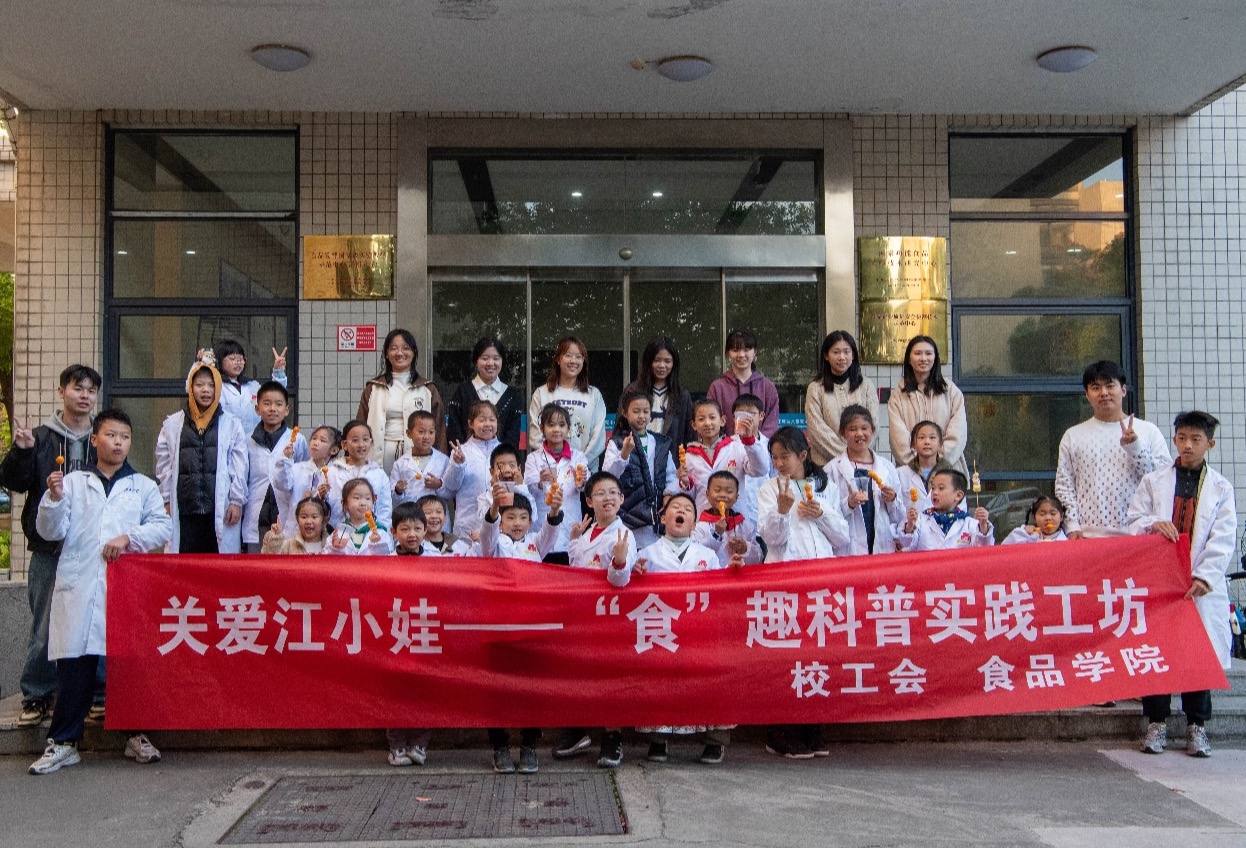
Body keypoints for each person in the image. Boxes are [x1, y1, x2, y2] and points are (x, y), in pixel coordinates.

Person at [27, 409, 173, 775]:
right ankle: (64, 742)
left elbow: (162, 527)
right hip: (80, 584)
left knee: (127, 667)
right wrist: (53, 499)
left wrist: (129, 538)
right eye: (111, 435)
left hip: (125, 588)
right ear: (95, 440)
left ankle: (135, 735)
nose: (118, 443)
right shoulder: (73, 483)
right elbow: (50, 531)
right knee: (74, 666)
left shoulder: (142, 485)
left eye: (124, 437)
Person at [1127, 410, 1237, 758]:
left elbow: (1223, 536)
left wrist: (1205, 575)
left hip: (1196, 585)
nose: (1187, 445)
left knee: (1195, 656)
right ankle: (1156, 722)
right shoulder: (1154, 481)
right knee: (1156, 653)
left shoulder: (1221, 488)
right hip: (1161, 582)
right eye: (1182, 438)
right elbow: (1133, 519)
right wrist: (1153, 523)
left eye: (1196, 439)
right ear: (1174, 439)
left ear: (1210, 444)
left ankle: (1196, 726)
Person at [1, 364, 101, 728]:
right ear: (62, 392)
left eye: (91, 391)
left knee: (94, 620)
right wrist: (21, 451)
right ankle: (37, 693)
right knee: (44, 625)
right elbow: (14, 482)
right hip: (49, 549)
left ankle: (96, 693)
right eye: (78, 388)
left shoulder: (101, 437)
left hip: (90, 549)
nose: (84, 396)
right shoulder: (40, 437)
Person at [606, 494, 737, 765]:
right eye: (675, 508)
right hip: (661, 633)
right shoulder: (646, 554)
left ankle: (715, 741)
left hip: (699, 634)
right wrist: (635, 573)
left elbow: (722, 593)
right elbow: (624, 585)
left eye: (688, 509)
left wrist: (734, 571)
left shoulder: (708, 556)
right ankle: (658, 738)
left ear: (694, 523)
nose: (681, 512)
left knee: (713, 679)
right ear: (663, 518)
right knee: (658, 680)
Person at [756, 426, 849, 760]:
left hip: (820, 583)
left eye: (785, 456)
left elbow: (842, 538)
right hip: (785, 583)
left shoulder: (826, 488)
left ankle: (812, 726)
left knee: (817, 656)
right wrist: (782, 511)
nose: (780, 463)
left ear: (803, 455)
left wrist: (821, 514)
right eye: (775, 457)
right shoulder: (769, 489)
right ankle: (780, 731)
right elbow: (771, 538)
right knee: (785, 656)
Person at [566, 471, 637, 768]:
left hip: (611, 617)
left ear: (621, 499)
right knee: (580, 675)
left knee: (609, 678)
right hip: (583, 615)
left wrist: (619, 560)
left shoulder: (625, 535)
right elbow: (574, 571)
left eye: (612, 493)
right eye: (600, 494)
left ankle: (612, 738)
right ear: (589, 501)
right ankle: (577, 732)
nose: (607, 498)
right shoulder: (585, 533)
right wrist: (573, 541)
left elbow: (621, 581)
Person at [1054, 360, 1170, 539]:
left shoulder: (1148, 431)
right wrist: (1071, 526)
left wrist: (1135, 447)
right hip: (1087, 536)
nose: (1104, 393)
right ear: (1087, 395)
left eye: (1110, 386)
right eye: (1096, 388)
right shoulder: (1073, 435)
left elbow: (1163, 481)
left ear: (1123, 390)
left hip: (1139, 535)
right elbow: (1064, 486)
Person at [155, 355, 248, 554]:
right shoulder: (172, 424)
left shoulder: (231, 424)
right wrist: (167, 499)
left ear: (218, 389)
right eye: (199, 385)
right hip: (185, 508)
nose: (205, 390)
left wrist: (236, 501)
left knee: (218, 565)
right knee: (185, 563)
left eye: (211, 385)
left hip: (219, 509)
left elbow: (240, 466)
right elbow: (164, 465)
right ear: (190, 387)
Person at [386, 501, 437, 767]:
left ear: (425, 530)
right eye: (405, 529)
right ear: (394, 531)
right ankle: (396, 746)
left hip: (425, 633)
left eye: (417, 528)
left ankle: (420, 743)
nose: (412, 535)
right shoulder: (384, 560)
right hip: (395, 634)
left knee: (425, 692)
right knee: (394, 693)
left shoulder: (436, 560)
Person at [356, 329, 446, 473]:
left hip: (418, 455)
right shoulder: (373, 388)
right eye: (393, 348)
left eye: (405, 348)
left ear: (414, 353)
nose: (399, 353)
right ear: (386, 353)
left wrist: (441, 467)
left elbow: (440, 429)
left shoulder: (427, 388)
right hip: (378, 454)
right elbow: (359, 425)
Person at [825, 405, 905, 557]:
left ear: (872, 430)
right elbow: (828, 516)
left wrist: (892, 500)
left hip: (882, 547)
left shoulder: (887, 467)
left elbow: (899, 518)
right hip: (849, 549)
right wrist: (849, 504)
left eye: (864, 428)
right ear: (842, 433)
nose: (859, 434)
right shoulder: (831, 470)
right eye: (852, 429)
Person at [602, 389, 678, 550]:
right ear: (625, 413)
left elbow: (671, 475)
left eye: (646, 411)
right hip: (629, 516)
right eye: (636, 411)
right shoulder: (617, 442)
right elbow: (608, 477)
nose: (641, 416)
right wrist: (624, 454)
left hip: (657, 517)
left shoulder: (661, 442)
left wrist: (669, 495)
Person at [242, 381, 309, 553]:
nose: (272, 409)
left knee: (286, 559)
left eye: (278, 404)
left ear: (287, 410)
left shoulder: (297, 440)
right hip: (257, 512)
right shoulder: (247, 440)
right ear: (257, 409)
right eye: (267, 403)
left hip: (286, 510)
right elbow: (242, 476)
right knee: (257, 561)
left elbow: (304, 473)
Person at [887, 335, 968, 474]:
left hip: (948, 470)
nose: (923, 358)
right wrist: (918, 464)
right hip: (911, 472)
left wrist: (939, 461)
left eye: (928, 353)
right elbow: (898, 437)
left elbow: (958, 431)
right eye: (918, 353)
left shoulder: (950, 391)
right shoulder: (898, 396)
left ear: (935, 358)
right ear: (909, 358)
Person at [677, 398, 769, 517]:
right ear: (694, 425)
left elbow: (760, 470)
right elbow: (690, 497)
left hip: (736, 520)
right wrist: (685, 483)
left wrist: (750, 441)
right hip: (704, 521)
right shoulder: (689, 456)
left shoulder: (737, 447)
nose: (707, 423)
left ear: (722, 421)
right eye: (701, 419)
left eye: (712, 417)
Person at [528, 337, 607, 471]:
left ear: (583, 361)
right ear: (558, 359)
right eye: (568, 355)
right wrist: (555, 466)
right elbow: (535, 435)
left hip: (584, 472)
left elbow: (598, 438)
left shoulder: (594, 395)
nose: (573, 361)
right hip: (549, 471)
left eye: (578, 357)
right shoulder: (541, 393)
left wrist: (579, 464)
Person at [523, 403, 588, 559]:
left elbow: (587, 486)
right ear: (541, 428)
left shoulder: (578, 457)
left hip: (569, 527)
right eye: (551, 425)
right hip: (542, 528)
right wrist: (539, 481)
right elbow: (526, 490)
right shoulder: (533, 458)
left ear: (568, 428)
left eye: (561, 425)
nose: (556, 429)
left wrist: (582, 482)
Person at [804, 331, 879, 465]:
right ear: (826, 355)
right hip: (825, 465)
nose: (842, 357)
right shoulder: (815, 388)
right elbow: (817, 430)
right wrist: (847, 455)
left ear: (853, 355)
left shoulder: (866, 386)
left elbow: (874, 425)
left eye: (846, 352)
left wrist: (858, 452)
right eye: (836, 352)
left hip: (862, 463)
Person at [445, 336, 524, 451]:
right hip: (467, 460)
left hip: (502, 461)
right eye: (485, 358)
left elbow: (513, 437)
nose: (491, 363)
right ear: (476, 361)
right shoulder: (462, 392)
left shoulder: (512, 396)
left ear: (502, 361)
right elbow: (454, 432)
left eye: (496, 358)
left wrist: (501, 458)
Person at [624, 335, 693, 461]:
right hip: (636, 463)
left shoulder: (682, 396)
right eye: (656, 360)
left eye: (667, 361)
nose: (662, 365)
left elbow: (689, 437)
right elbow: (620, 430)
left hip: (670, 465)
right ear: (648, 361)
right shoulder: (632, 391)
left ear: (674, 363)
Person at [440, 401, 501, 537]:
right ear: (470, 424)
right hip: (467, 526)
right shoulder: (461, 452)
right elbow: (450, 487)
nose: (487, 424)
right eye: (482, 420)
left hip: (499, 526)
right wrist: (458, 464)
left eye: (492, 420)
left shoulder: (504, 452)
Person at [706, 328, 780, 438]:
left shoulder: (767, 387)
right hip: (726, 447)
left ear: (755, 352)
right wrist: (726, 445)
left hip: (759, 447)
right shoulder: (717, 387)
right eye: (735, 350)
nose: (741, 355)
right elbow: (711, 420)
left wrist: (756, 443)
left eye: (746, 349)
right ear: (728, 353)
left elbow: (771, 424)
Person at [271, 425, 342, 539]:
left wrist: (320, 496)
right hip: (295, 531)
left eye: (322, 440)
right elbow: (282, 484)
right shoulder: (297, 468)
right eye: (314, 438)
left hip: (323, 535)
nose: (316, 443)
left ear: (334, 450)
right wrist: (285, 460)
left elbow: (336, 506)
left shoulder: (336, 474)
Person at [897, 469, 994, 551]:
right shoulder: (921, 520)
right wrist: (910, 526)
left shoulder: (969, 523)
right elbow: (907, 544)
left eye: (941, 488)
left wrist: (983, 526)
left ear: (958, 495)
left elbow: (983, 548)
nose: (935, 492)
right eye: (933, 488)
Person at [325, 420, 393, 531]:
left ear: (371, 443)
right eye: (355, 440)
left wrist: (382, 535)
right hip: (339, 533)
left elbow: (384, 510)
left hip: (371, 534)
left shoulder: (379, 474)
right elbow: (328, 505)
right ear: (344, 445)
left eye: (365, 439)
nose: (361, 445)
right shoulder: (331, 472)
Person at [209, 340, 288, 435]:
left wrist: (278, 371)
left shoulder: (253, 386)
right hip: (226, 440)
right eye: (233, 359)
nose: (238, 362)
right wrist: (202, 362)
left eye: (241, 359)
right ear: (220, 361)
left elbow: (276, 394)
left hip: (254, 440)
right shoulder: (215, 386)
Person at [691, 470, 763, 567]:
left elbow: (758, 560)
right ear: (707, 494)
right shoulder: (699, 527)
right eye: (717, 490)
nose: (723, 495)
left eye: (729, 491)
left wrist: (745, 549)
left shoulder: (744, 526)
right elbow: (695, 555)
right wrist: (716, 535)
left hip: (739, 575)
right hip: (713, 575)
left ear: (736, 497)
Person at [391, 410, 450, 506]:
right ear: (409, 433)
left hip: (435, 512)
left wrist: (439, 485)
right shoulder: (400, 464)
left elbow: (451, 492)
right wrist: (398, 490)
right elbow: (393, 497)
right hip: (411, 512)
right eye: (421, 432)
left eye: (431, 432)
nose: (426, 437)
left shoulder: (444, 461)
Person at [323, 478, 394, 556]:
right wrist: (335, 548)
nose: (363, 503)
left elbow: (388, 557)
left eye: (368, 498)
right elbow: (327, 557)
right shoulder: (338, 533)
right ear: (345, 503)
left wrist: (378, 545)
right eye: (357, 498)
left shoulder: (380, 532)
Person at [893, 420, 950, 515]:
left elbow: (960, 508)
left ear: (940, 443)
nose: (927, 442)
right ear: (913, 444)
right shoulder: (899, 474)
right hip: (910, 524)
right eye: (921, 437)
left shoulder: (950, 474)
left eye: (932, 437)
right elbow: (894, 510)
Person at [262, 496, 330, 554]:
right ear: (297, 519)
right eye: (304, 517)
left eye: (314, 517)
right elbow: (270, 558)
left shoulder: (330, 547)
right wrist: (276, 537)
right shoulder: (288, 546)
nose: (308, 521)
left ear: (324, 520)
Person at [1002, 495, 1069, 544]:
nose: (1048, 518)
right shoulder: (1030, 536)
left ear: (1061, 517)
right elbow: (1006, 546)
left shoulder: (1067, 542)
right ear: (1034, 518)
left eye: (1053, 514)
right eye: (1042, 514)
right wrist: (1024, 533)